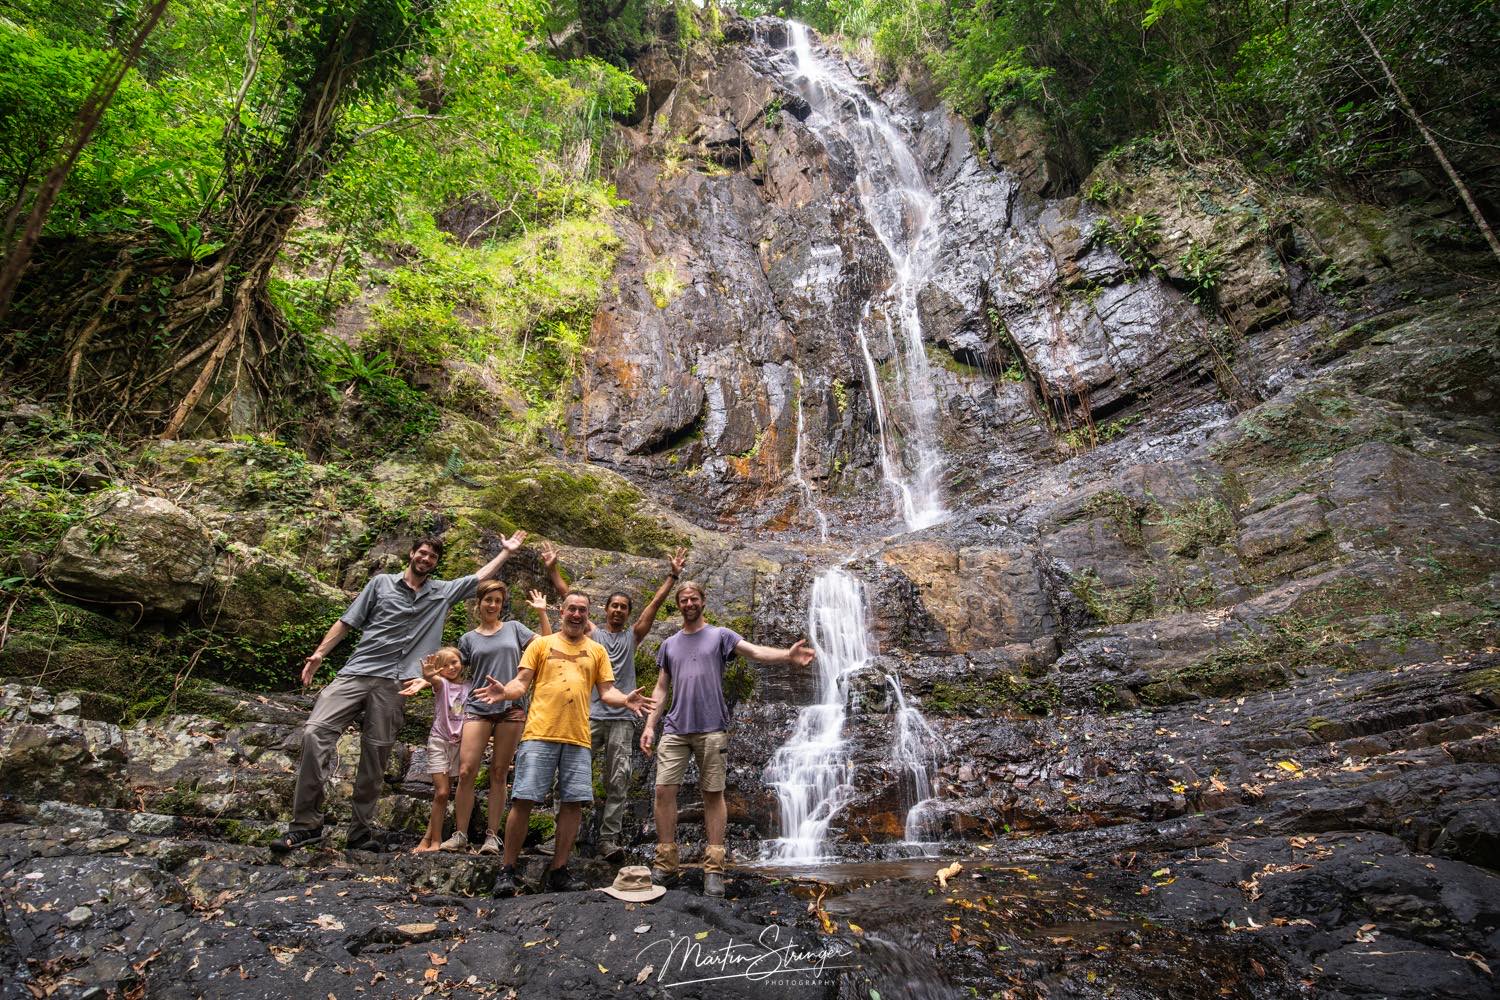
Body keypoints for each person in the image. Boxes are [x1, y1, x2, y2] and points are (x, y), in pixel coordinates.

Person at [272, 531, 526, 853]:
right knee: (314, 733)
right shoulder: (380, 584)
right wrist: (321, 653)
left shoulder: (441, 593)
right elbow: (347, 621)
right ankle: (306, 825)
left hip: (396, 686)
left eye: (432, 556)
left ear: (436, 562)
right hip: (358, 671)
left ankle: (359, 832)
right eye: (422, 553)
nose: (426, 559)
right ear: (411, 554)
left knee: (376, 755)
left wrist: (506, 552)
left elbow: (477, 578)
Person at [641, 581, 815, 897]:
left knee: (713, 793)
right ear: (678, 605)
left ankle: (713, 868)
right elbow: (661, 688)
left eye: (694, 598)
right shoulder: (669, 644)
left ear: (703, 601)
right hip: (675, 728)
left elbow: (755, 651)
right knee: (663, 791)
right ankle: (666, 863)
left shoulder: (721, 636)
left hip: (711, 727)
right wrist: (651, 725)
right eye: (684, 600)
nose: (689, 603)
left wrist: (787, 656)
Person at [474, 592, 655, 896]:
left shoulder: (597, 650)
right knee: (523, 799)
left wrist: (625, 699)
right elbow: (521, 682)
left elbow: (606, 691)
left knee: (573, 804)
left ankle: (559, 869)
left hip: (578, 737)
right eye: (572, 608)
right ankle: (507, 870)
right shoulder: (541, 645)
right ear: (561, 611)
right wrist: (505, 692)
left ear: (588, 615)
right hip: (539, 733)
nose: (576, 614)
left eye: (582, 610)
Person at [541, 541, 688, 862]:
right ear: (605, 610)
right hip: (589, 716)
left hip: (621, 719)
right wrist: (553, 569)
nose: (618, 610)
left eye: (624, 607)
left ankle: (609, 840)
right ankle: (561, 838)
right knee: (570, 775)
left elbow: (654, 606)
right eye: (614, 606)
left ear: (628, 613)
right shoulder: (593, 634)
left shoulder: (632, 637)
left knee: (618, 779)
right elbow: (569, 598)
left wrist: (673, 577)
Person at [437, 582, 551, 854]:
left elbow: (548, 645)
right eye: (488, 599)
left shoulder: (514, 629)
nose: (493, 605)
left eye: (498, 600)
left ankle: (492, 837)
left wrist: (542, 612)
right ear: (479, 603)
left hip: (511, 707)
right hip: (478, 706)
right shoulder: (468, 639)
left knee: (499, 772)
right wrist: (428, 679)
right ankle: (460, 834)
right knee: (466, 771)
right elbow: (452, 671)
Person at [413, 647, 466, 853]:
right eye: (444, 665)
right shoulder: (442, 684)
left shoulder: (469, 686)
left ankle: (428, 839)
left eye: (454, 662)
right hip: (439, 741)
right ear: (439, 670)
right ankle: (435, 841)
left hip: (459, 743)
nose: (451, 667)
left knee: (443, 795)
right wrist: (428, 676)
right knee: (442, 792)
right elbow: (434, 680)